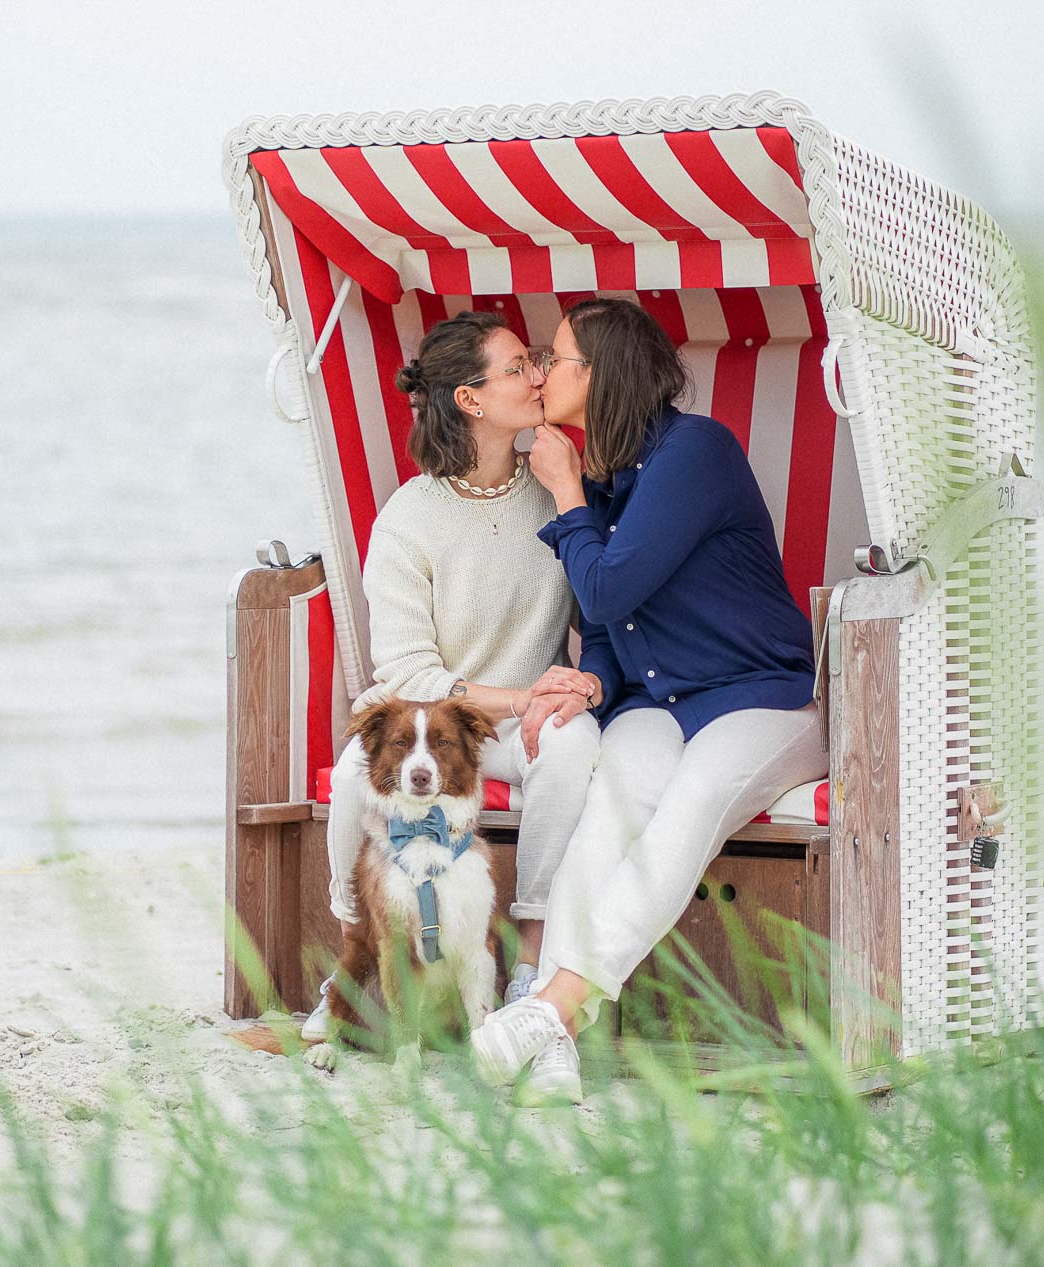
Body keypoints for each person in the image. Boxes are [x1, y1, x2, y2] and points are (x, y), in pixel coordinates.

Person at [468, 298, 828, 1103]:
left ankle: (550, 1006)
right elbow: (611, 623)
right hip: (661, 703)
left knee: (691, 802)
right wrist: (592, 677)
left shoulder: (694, 452)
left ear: (600, 374)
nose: (542, 371)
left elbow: (610, 583)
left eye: (554, 358)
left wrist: (563, 490)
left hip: (762, 700)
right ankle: (556, 1045)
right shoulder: (609, 477)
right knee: (611, 803)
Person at [303, 309, 603, 1042]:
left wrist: (569, 686)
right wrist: (522, 693)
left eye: (537, 361)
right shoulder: (410, 517)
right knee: (350, 774)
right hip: (430, 728)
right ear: (470, 399)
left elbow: (602, 602)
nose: (537, 376)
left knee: (572, 743)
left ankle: (528, 959)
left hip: (520, 723)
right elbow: (406, 671)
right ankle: (354, 955)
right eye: (516, 368)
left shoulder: (558, 488)